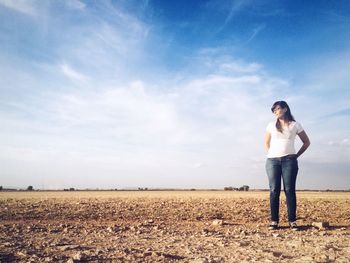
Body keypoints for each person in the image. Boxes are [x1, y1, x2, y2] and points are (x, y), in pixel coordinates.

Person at [264, 101, 310, 231]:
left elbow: (306, 142)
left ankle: (292, 221)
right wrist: (272, 154)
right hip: (272, 161)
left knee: (289, 190)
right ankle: (274, 221)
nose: (275, 112)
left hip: (289, 161)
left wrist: (296, 155)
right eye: (273, 110)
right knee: (274, 190)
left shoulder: (295, 125)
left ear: (285, 109)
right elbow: (266, 143)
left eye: (277, 109)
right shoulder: (271, 125)